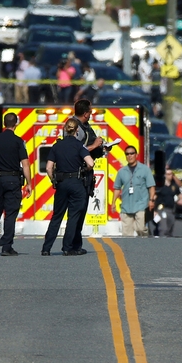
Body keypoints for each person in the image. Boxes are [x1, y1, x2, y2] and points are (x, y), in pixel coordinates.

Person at [41, 118, 95, 256]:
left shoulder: (56, 146)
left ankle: (46, 248)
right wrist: (85, 170)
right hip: (76, 183)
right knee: (73, 217)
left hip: (62, 183)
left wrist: (54, 180)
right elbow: (90, 163)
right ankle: (67, 247)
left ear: (65, 130)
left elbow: (48, 168)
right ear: (77, 131)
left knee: (57, 216)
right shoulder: (79, 146)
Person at [0, 113, 32, 257]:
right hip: (13, 180)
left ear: (4, 123)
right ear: (16, 124)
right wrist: (29, 183)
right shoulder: (18, 141)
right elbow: (25, 164)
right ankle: (6, 247)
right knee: (10, 214)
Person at [71, 99, 104, 253]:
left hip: (85, 175)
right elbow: (76, 151)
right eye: (90, 112)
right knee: (77, 211)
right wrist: (95, 145)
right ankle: (73, 245)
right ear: (85, 113)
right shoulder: (76, 128)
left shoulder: (85, 126)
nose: (91, 114)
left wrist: (101, 148)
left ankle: (76, 244)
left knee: (81, 210)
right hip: (78, 175)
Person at [111, 145, 156, 237]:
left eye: (132, 153)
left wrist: (151, 200)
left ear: (136, 155)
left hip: (141, 205)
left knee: (140, 228)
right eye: (127, 154)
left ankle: (146, 240)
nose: (129, 156)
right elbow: (117, 188)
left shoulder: (145, 170)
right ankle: (129, 250)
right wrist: (113, 202)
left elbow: (151, 186)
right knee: (127, 234)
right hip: (126, 206)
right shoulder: (121, 172)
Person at [152, 169, 182, 237]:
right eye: (168, 174)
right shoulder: (160, 186)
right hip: (161, 209)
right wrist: (154, 210)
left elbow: (180, 194)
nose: (170, 176)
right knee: (163, 228)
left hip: (171, 209)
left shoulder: (173, 186)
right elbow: (154, 197)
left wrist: (181, 200)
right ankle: (162, 240)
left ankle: (168, 242)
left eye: (171, 174)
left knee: (170, 227)